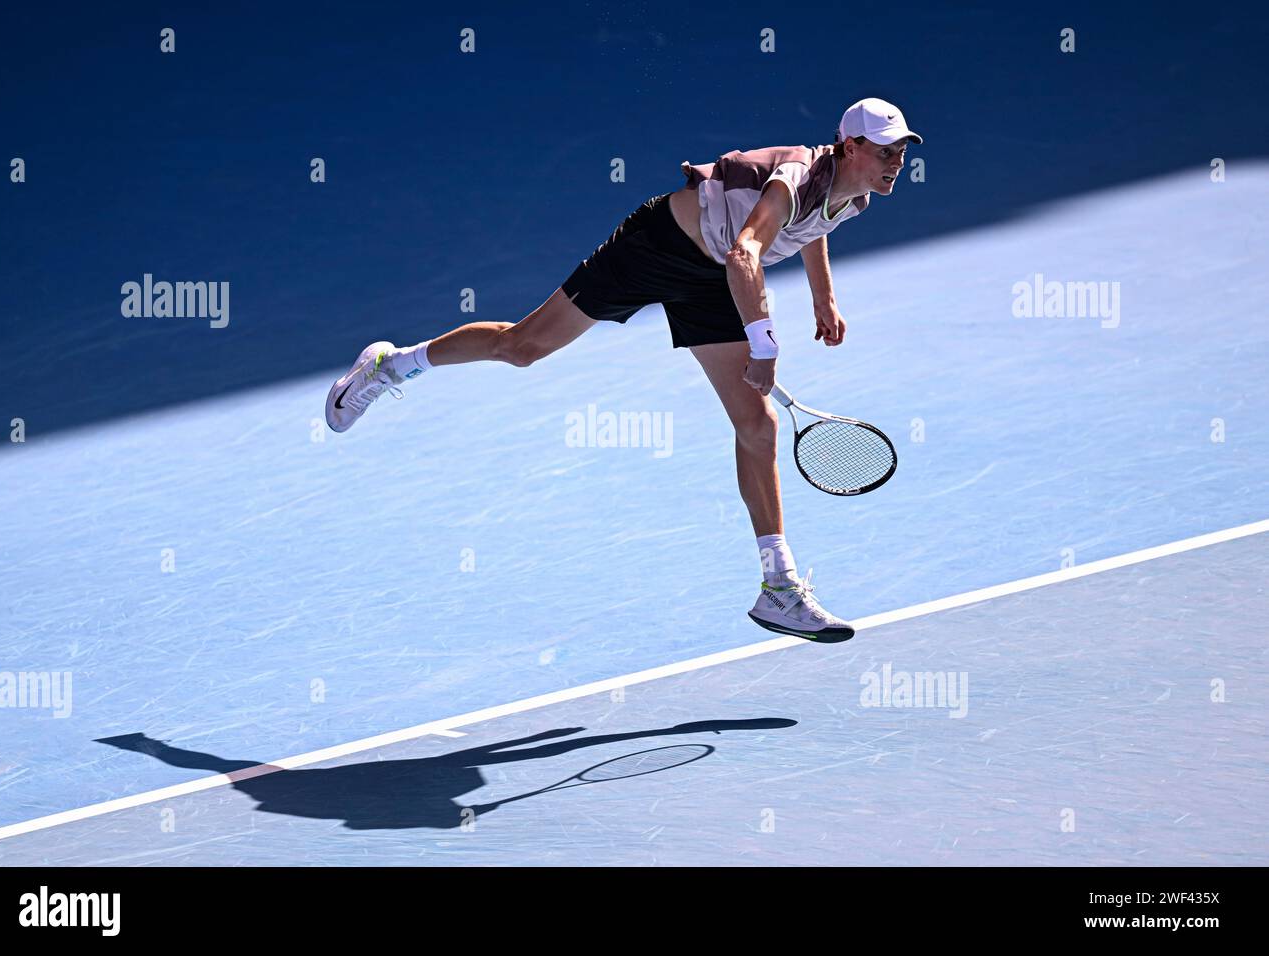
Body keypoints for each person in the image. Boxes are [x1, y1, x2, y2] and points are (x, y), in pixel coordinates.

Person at [324, 98, 921, 641]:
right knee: (524, 346)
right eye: (886, 151)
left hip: (714, 280)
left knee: (757, 424)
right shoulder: (795, 178)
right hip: (659, 249)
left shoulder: (856, 194)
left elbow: (815, 227)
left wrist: (824, 297)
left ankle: (779, 588)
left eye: (901, 152)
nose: (896, 162)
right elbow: (748, 250)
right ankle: (393, 364)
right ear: (849, 147)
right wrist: (764, 345)